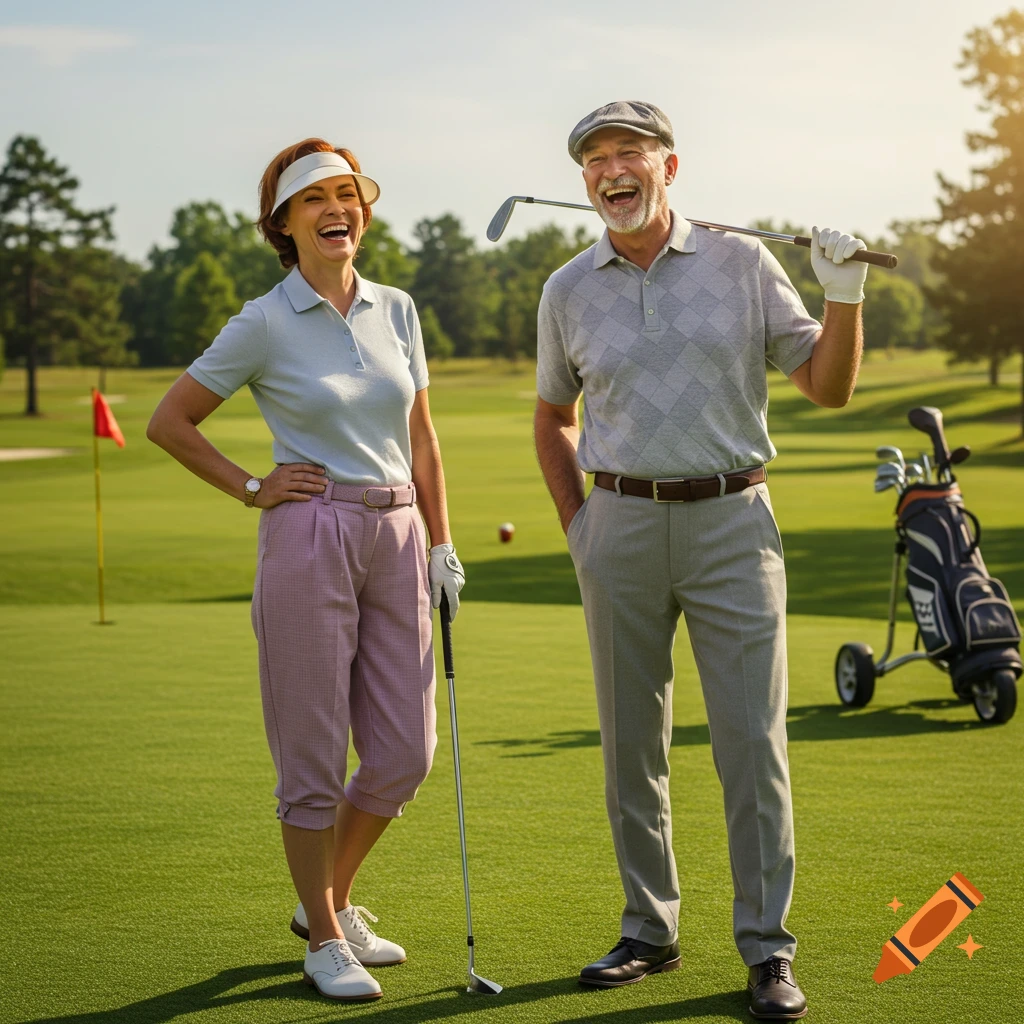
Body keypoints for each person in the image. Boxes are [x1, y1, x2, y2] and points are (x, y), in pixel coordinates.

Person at [534, 100, 871, 1021]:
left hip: (732, 522)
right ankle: (650, 929)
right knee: (629, 748)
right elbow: (553, 416)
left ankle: (766, 948)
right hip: (621, 527)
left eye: (629, 153)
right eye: (595, 158)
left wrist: (844, 293)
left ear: (668, 168)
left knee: (751, 747)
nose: (612, 170)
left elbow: (828, 387)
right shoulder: (567, 287)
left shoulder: (744, 261)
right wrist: (581, 528)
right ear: (586, 180)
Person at [147, 138, 465, 1003]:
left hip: (397, 533)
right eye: (317, 198)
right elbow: (171, 421)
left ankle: (326, 898)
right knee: (314, 753)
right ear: (284, 223)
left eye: (350, 195)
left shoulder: (398, 308)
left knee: (405, 752)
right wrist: (253, 487)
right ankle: (325, 934)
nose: (339, 209)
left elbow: (423, 437)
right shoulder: (262, 320)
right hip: (309, 535)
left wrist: (441, 541)